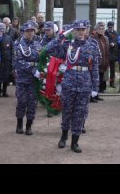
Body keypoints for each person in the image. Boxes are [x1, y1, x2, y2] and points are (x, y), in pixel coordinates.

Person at [46, 20, 99, 153]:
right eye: (77, 29)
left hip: (85, 83)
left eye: (83, 29)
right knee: (67, 111)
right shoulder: (67, 45)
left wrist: (95, 87)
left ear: (86, 30)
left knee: (79, 113)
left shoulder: (92, 46)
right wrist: (61, 36)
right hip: (69, 82)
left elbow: (95, 68)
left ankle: (75, 142)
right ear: (73, 31)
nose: (80, 32)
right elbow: (49, 50)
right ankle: (63, 137)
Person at [12, 21, 43, 135]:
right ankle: (19, 124)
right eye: (27, 31)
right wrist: (33, 70)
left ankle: (29, 126)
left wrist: (42, 70)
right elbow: (18, 61)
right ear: (23, 32)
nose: (30, 33)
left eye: (32, 31)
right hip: (23, 78)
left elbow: (43, 59)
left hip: (35, 79)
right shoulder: (17, 44)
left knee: (32, 103)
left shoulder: (39, 44)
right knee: (22, 101)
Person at [0, 22, 14, 97]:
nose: (2, 30)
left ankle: (4, 91)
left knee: (6, 76)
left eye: (3, 29)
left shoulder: (8, 37)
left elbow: (12, 48)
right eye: (0, 29)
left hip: (7, 60)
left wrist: (12, 58)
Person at [104, 21, 118, 88]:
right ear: (107, 26)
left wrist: (114, 44)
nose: (110, 28)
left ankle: (112, 83)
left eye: (111, 26)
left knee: (112, 70)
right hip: (105, 54)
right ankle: (103, 84)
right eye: (109, 27)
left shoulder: (115, 33)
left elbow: (116, 41)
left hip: (112, 54)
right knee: (105, 69)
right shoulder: (104, 33)